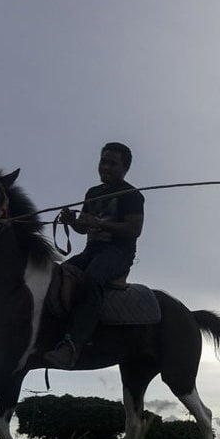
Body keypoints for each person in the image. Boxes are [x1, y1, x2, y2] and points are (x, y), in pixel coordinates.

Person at [44, 142, 145, 369]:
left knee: (91, 280)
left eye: (112, 163)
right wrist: (73, 221)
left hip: (118, 253)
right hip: (91, 251)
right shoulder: (93, 193)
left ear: (125, 168)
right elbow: (84, 227)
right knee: (57, 275)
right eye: (103, 161)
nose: (105, 167)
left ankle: (73, 346)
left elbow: (134, 229)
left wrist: (98, 223)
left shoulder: (132, 195)